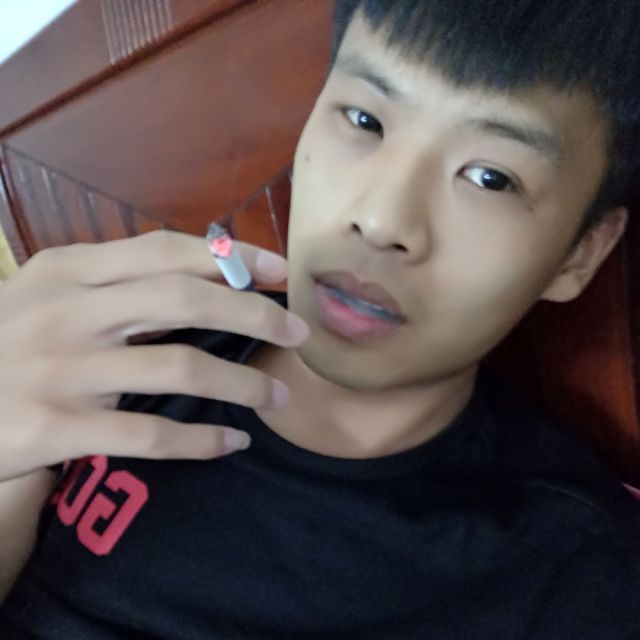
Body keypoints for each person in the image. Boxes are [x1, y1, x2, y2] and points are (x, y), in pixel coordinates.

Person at [0, 0, 639, 637]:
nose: (381, 220)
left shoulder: (577, 574)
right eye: (364, 119)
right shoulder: (134, 350)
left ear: (581, 254)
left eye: (490, 178)